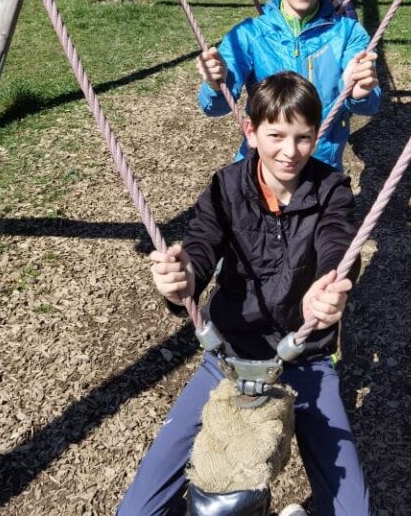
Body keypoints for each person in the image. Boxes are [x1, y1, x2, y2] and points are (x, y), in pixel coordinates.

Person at [118, 72, 370, 516]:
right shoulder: (227, 187)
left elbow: (339, 242)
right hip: (230, 358)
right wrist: (184, 279)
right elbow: (201, 243)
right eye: (276, 135)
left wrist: (328, 282)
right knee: (138, 511)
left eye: (303, 138)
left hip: (305, 358)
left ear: (317, 135)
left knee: (353, 511)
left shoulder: (331, 188)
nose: (289, 152)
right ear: (251, 132)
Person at [198, 0, 380, 171]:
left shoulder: (348, 34)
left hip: (320, 164)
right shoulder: (249, 34)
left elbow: (371, 104)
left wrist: (360, 92)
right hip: (260, 164)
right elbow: (215, 108)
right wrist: (214, 85)